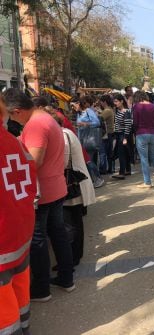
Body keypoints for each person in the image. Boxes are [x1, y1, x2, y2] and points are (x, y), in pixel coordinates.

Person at [4, 89, 75, 302]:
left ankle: (42, 288)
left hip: (42, 192)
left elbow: (34, 162)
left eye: (10, 115)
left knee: (38, 239)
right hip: (56, 187)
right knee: (58, 234)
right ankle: (66, 278)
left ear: (17, 111)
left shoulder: (35, 125)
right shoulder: (46, 118)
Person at [0, 94, 37, 335]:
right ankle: (24, 326)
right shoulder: (15, 142)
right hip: (21, 231)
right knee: (20, 284)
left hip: (2, 238)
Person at [61, 122, 96, 268]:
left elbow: (63, 162)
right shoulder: (67, 133)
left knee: (71, 222)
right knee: (75, 221)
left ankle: (73, 256)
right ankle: (75, 255)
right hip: (75, 182)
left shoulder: (63, 136)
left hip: (72, 184)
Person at [132, 91, 154, 188]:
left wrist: (135, 131)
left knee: (144, 159)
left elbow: (135, 122)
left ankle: (147, 182)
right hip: (153, 134)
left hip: (141, 134)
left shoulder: (136, 107)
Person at [112, 94, 133, 179]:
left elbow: (128, 126)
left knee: (122, 154)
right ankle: (127, 170)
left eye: (116, 101)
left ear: (121, 101)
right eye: (114, 102)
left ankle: (122, 172)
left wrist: (125, 138)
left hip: (123, 135)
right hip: (119, 134)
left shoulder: (126, 112)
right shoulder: (118, 111)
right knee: (125, 153)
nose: (115, 103)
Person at [99, 94, 115, 174]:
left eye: (101, 102)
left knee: (103, 152)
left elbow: (99, 119)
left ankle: (104, 169)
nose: (100, 104)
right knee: (109, 152)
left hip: (107, 134)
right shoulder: (109, 109)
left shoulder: (107, 111)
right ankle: (110, 168)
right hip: (110, 133)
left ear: (104, 102)